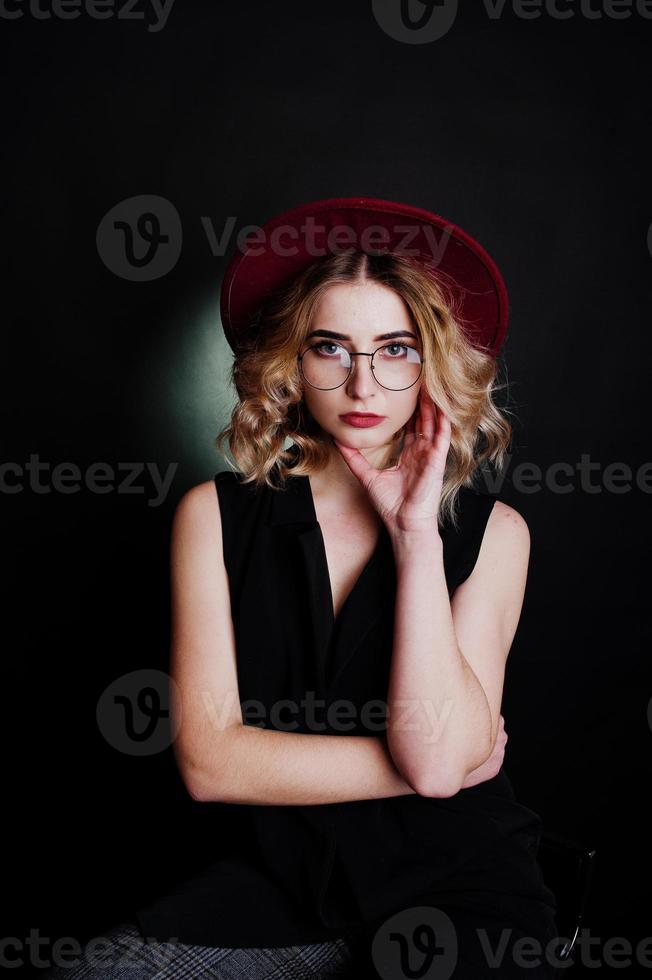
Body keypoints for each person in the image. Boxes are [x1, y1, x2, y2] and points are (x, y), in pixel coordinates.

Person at [40, 197, 566, 978]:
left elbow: (436, 763)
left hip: (459, 887)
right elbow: (211, 764)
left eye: (394, 349)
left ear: (431, 361)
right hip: (281, 884)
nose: (363, 382)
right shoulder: (213, 517)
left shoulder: (496, 534)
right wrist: (443, 763)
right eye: (331, 348)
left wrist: (417, 538)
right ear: (292, 361)